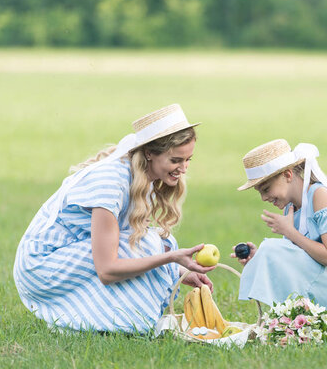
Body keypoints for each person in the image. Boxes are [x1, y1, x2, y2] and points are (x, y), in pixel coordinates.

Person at [13, 104, 214, 334]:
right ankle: (87, 324)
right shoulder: (111, 182)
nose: (184, 168)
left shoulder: (141, 177)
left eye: (188, 160)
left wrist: (181, 271)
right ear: (149, 152)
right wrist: (170, 258)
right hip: (42, 266)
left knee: (157, 242)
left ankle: (88, 321)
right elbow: (107, 269)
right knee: (149, 244)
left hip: (70, 257)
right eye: (176, 160)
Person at [231, 139, 327, 332]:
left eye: (266, 189)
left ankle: (298, 322)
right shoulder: (292, 208)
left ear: (288, 174)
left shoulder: (320, 196)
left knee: (271, 248)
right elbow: (297, 257)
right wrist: (260, 259)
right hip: (325, 282)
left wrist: (289, 233)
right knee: (269, 251)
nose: (264, 198)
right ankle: (293, 324)